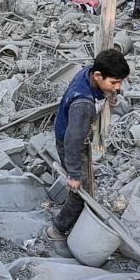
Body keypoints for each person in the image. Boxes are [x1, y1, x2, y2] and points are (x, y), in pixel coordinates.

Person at [45, 50, 130, 242]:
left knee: (84, 183)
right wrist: (74, 175)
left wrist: (109, 93)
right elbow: (72, 142)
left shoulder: (87, 72)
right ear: (98, 76)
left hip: (69, 131)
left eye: (120, 82)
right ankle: (57, 229)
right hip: (71, 144)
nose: (118, 86)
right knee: (81, 193)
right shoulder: (83, 104)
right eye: (114, 83)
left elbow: (106, 87)